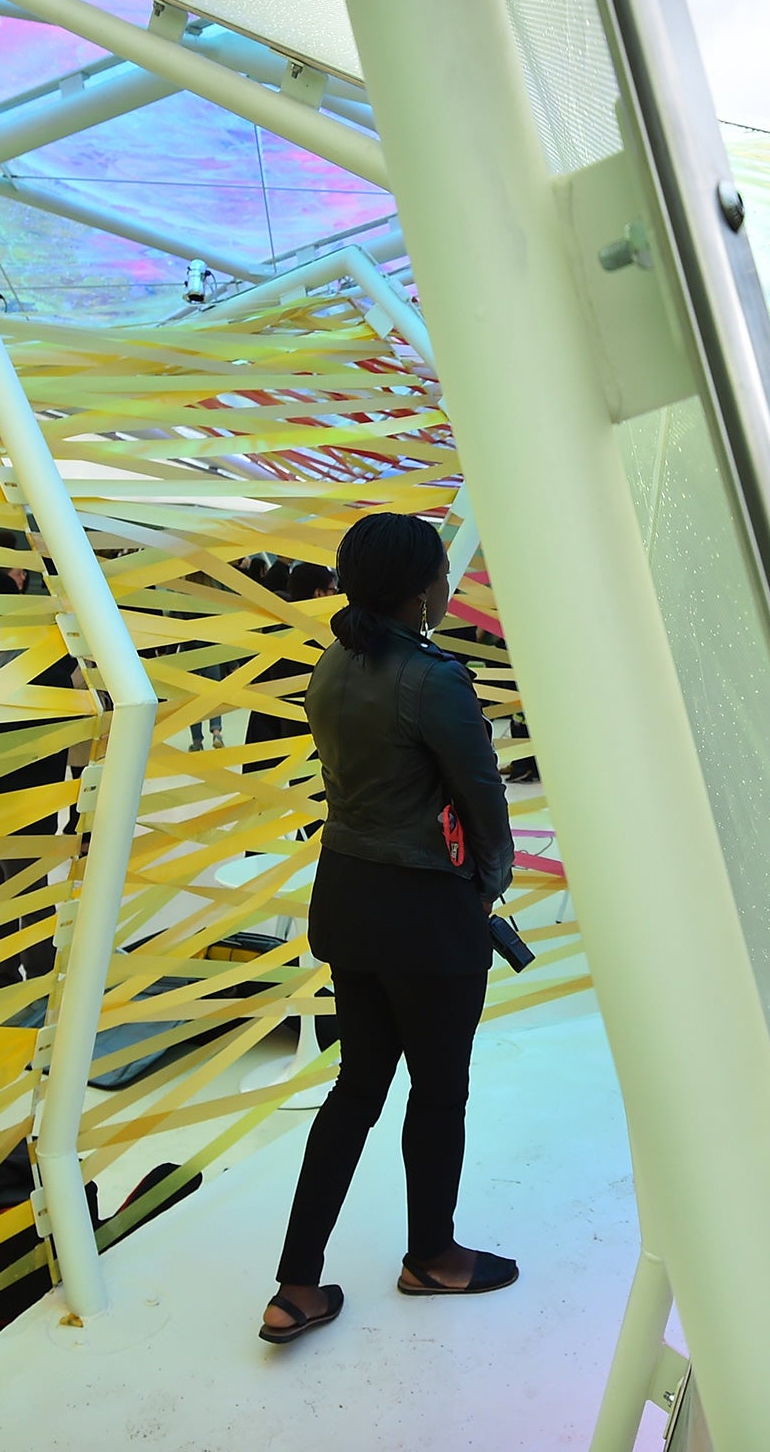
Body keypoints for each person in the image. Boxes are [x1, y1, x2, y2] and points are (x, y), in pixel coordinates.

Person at [261, 514, 516, 1345]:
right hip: (424, 912)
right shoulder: (431, 679)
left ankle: (296, 1285)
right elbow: (483, 799)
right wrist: (485, 886)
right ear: (421, 590)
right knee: (439, 1093)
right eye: (444, 572)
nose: (449, 585)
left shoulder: (333, 664)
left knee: (356, 1091)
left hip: (349, 898)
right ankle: (432, 1255)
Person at [0, 569, 78, 993]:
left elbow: (56, 728)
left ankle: (41, 987)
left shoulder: (45, 657)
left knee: (29, 897)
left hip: (22, 799)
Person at [243, 561, 336, 776]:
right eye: (333, 590)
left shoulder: (278, 637)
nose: (337, 596)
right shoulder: (325, 643)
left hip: (289, 745)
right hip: (320, 747)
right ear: (319, 594)